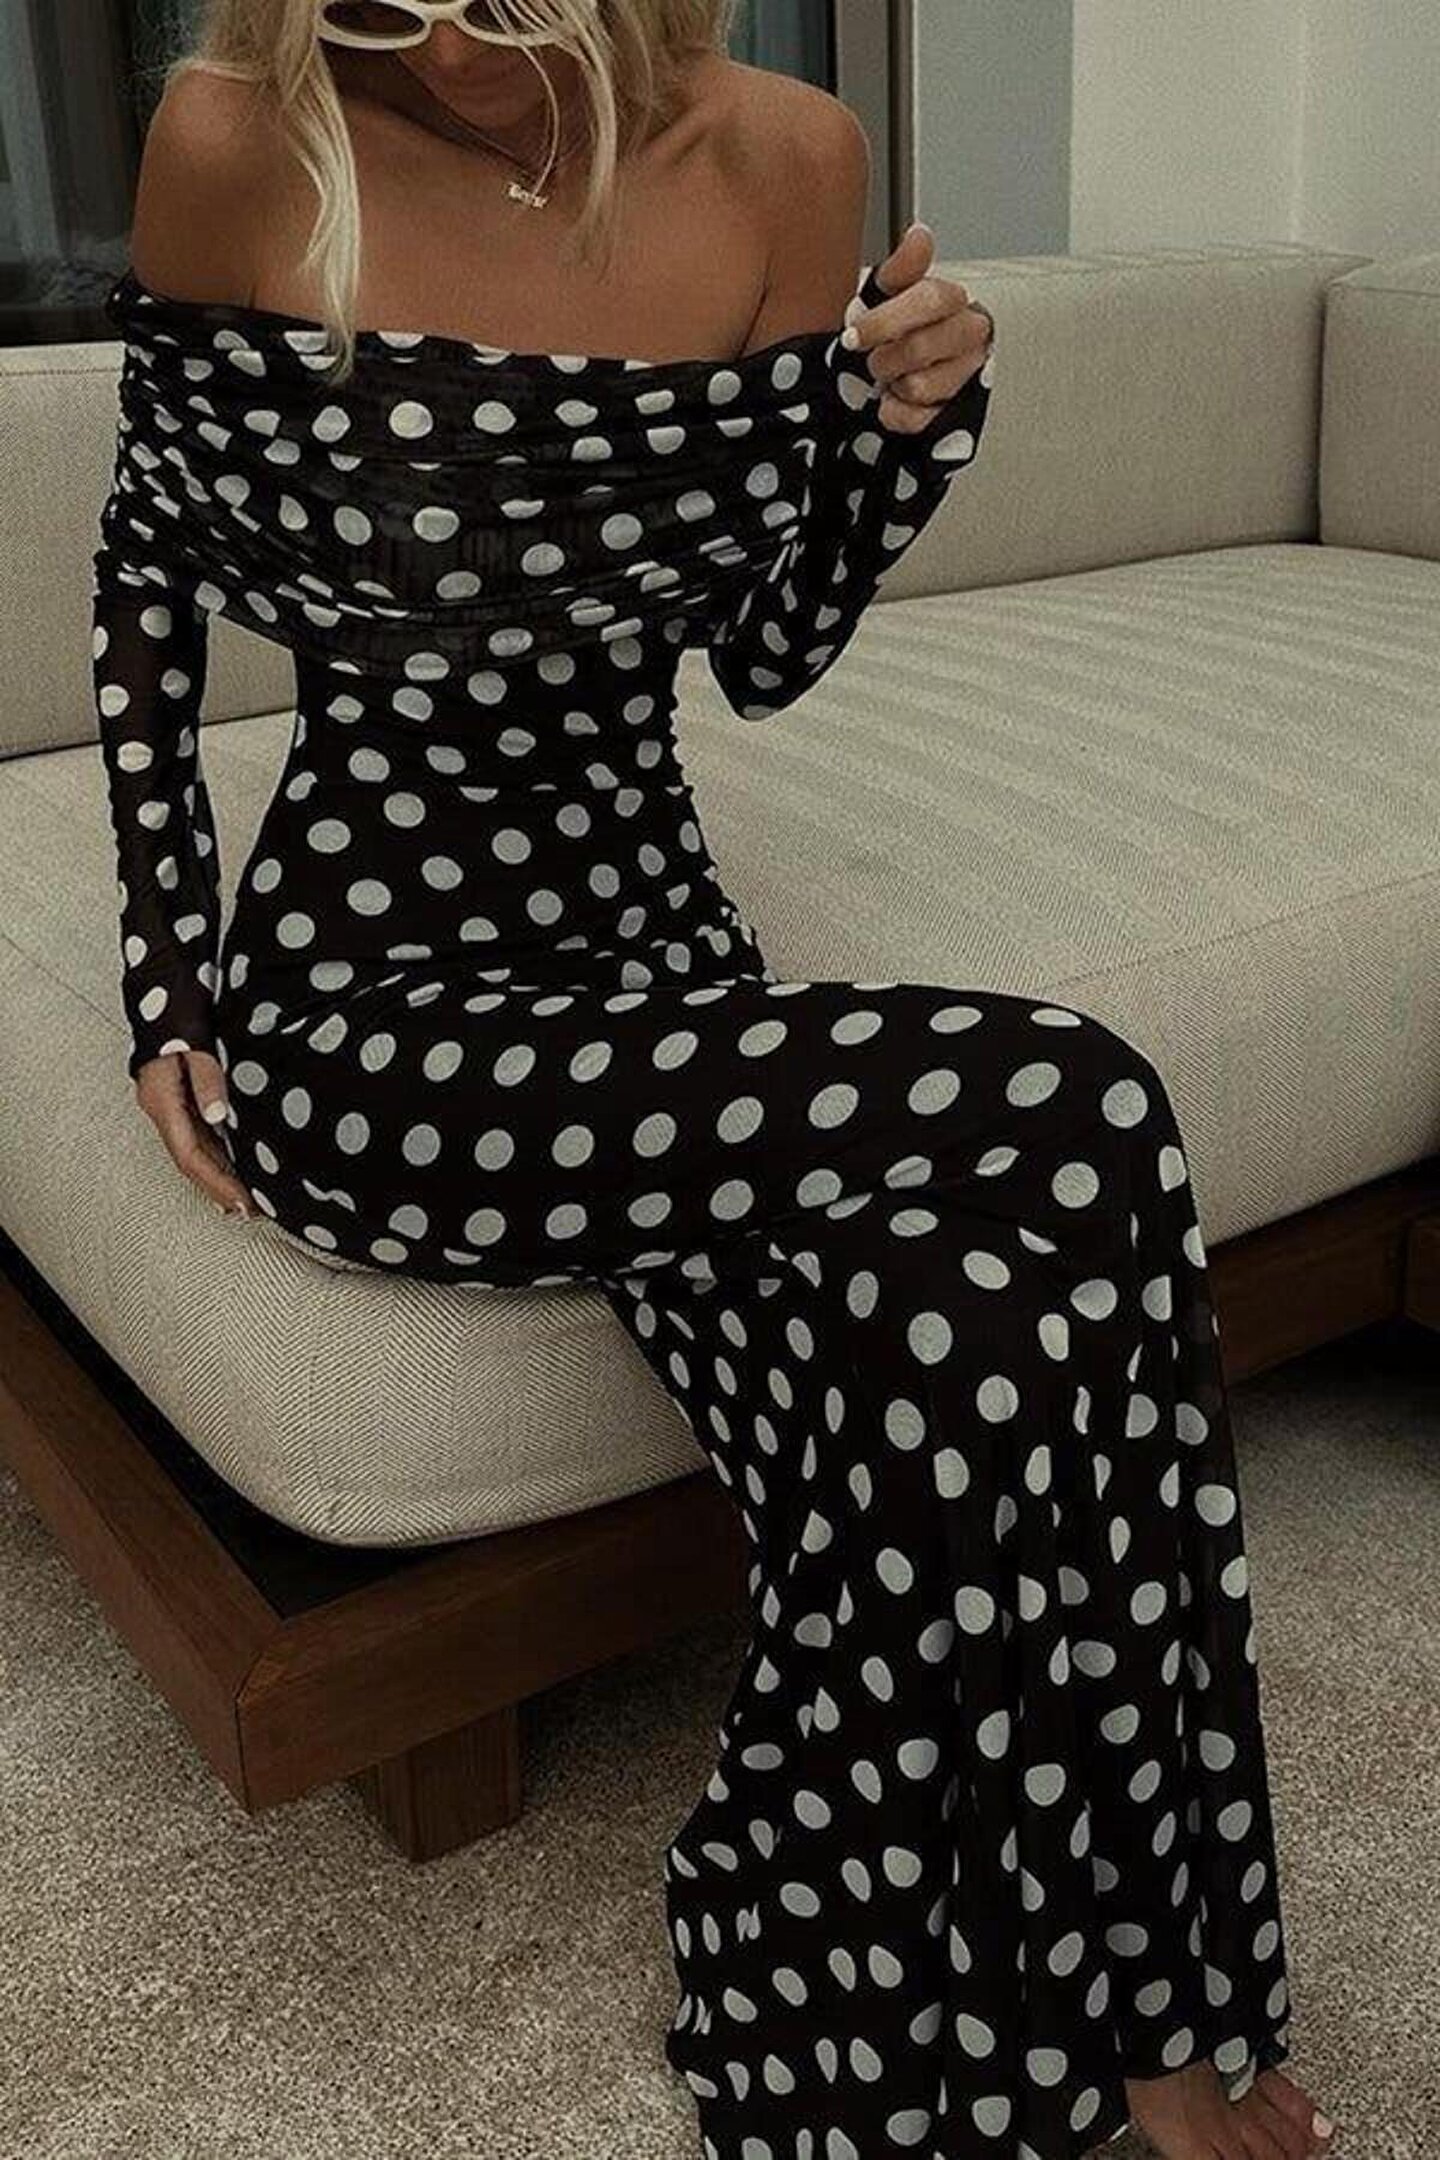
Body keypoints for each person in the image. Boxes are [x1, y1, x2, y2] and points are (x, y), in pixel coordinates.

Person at [89, 4, 1337, 2156]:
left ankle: (806, 1976)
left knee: (958, 1359)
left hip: (656, 969)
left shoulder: (788, 165)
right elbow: (147, 571)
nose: (440, 40)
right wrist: (162, 976)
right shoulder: (239, 139)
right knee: (1083, 1108)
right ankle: (1167, 2002)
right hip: (374, 1026)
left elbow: (758, 652)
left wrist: (898, 434)